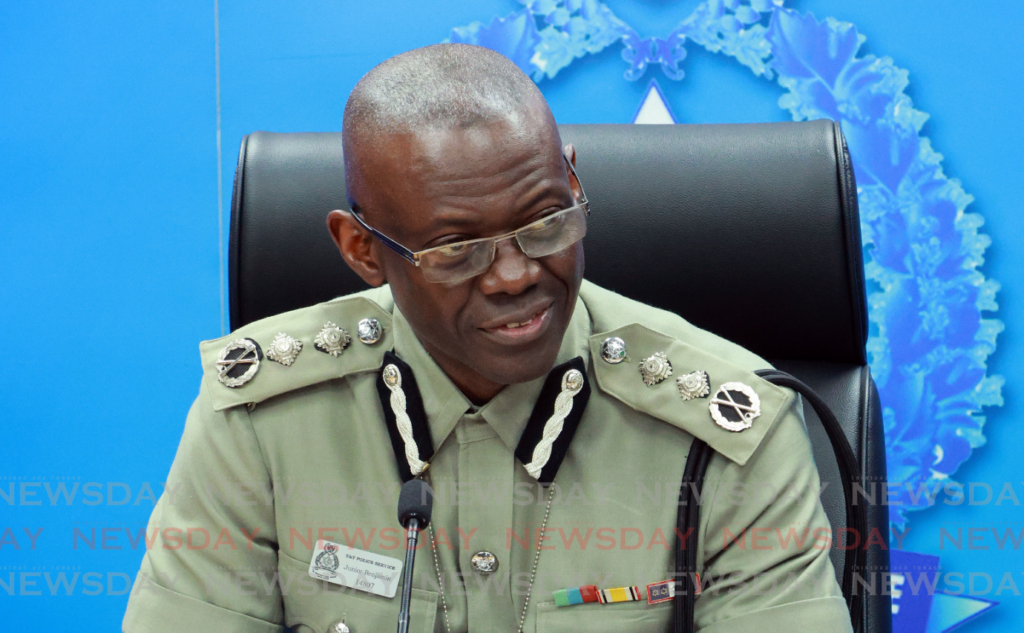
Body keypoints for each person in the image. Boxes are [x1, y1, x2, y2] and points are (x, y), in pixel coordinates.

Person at [123, 43, 852, 633]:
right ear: (361, 249)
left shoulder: (723, 427)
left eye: (544, 222)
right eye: (455, 248)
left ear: (571, 181)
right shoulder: (259, 420)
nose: (512, 275)